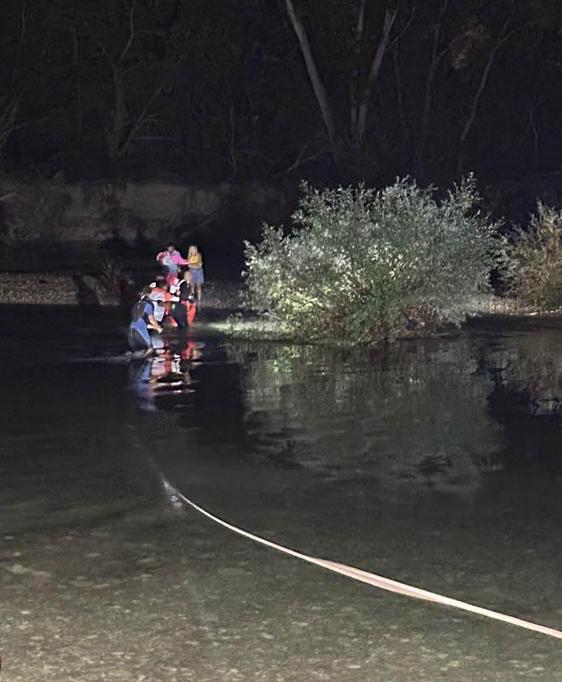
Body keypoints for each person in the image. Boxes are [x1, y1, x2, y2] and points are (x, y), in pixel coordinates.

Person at [128, 287, 163, 354]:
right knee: (150, 349)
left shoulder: (136, 305)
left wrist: (155, 327)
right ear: (149, 294)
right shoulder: (148, 304)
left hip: (131, 332)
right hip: (140, 332)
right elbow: (151, 319)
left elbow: (141, 323)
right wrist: (159, 328)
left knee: (136, 353)